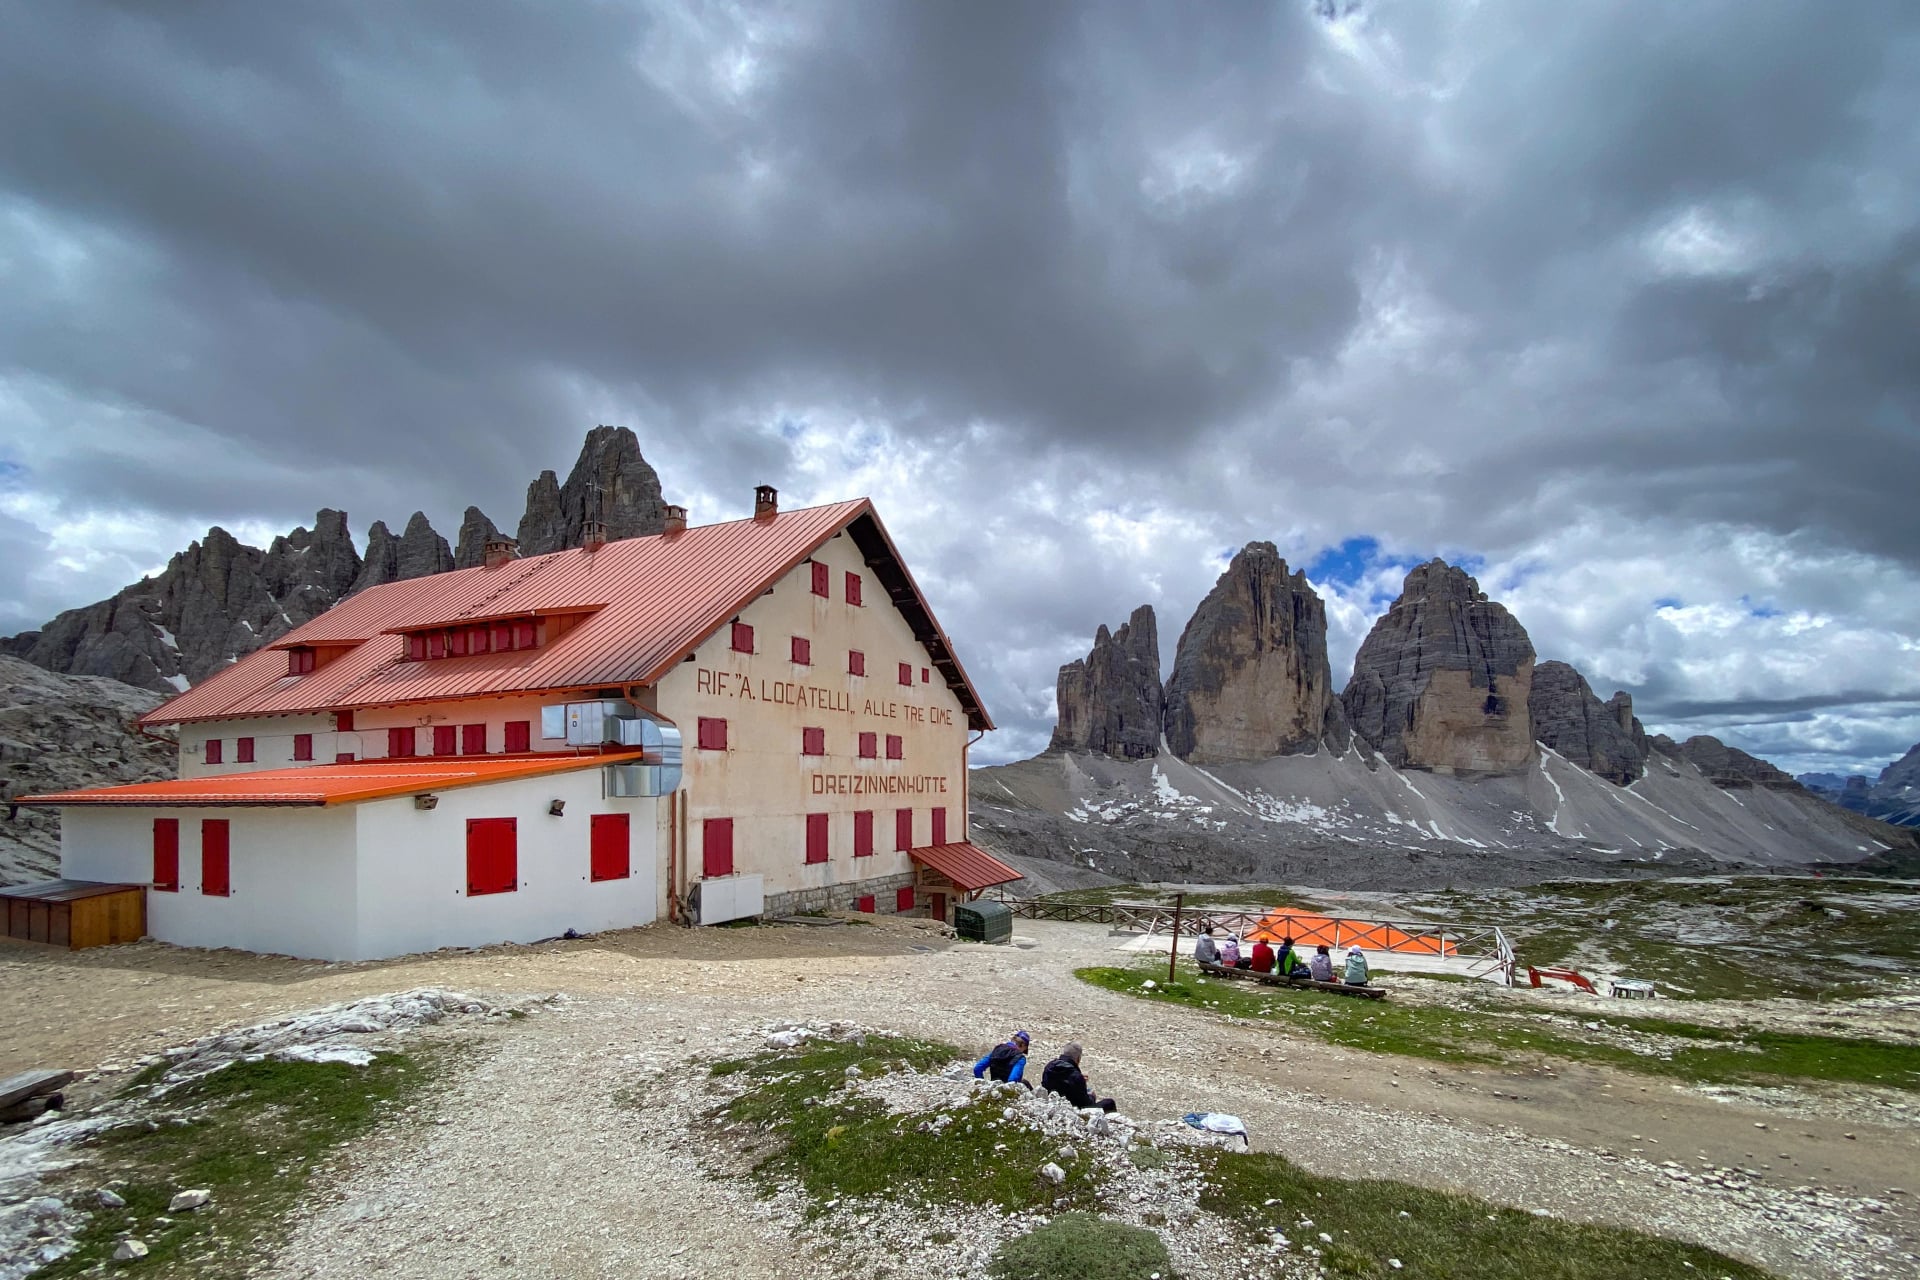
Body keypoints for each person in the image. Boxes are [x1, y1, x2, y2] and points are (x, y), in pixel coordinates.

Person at [1041, 1042, 1116, 1113]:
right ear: (1078, 1058)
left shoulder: (1049, 1067)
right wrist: (1092, 1096)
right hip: (1074, 1112)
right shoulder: (1076, 1076)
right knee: (1109, 1102)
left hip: (1051, 1106)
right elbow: (1086, 1104)